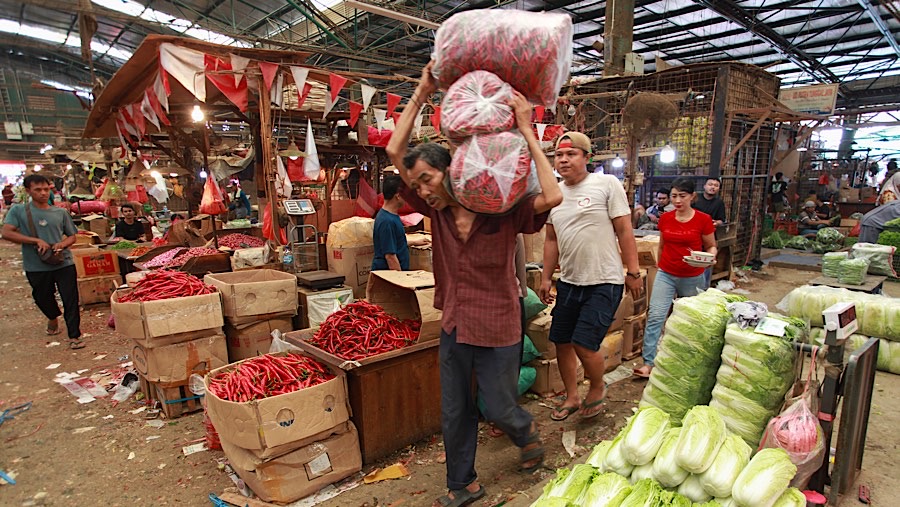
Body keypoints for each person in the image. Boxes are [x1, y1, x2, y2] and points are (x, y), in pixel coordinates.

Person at [386, 61, 562, 507]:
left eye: (427, 179)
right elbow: (394, 152)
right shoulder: (436, 213)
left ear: (454, 170)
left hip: (499, 326)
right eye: (418, 183)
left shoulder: (501, 209)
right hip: (455, 326)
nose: (422, 190)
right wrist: (423, 90)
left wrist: (527, 130)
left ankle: (524, 433)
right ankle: (462, 485)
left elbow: (554, 195)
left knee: (499, 408)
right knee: (454, 411)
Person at [539, 131, 642, 421]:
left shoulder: (605, 184)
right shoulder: (554, 193)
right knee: (561, 340)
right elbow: (551, 240)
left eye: (571, 154)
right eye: (559, 155)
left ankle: (596, 387)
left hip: (604, 279)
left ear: (587, 157)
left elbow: (624, 230)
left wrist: (633, 272)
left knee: (585, 343)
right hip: (569, 281)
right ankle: (571, 396)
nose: (563, 159)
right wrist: (546, 278)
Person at [634, 177, 717, 378]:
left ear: (692, 196)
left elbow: (711, 246)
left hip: (693, 275)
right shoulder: (666, 218)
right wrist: (659, 265)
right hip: (666, 273)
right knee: (656, 316)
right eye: (674, 196)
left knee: (691, 321)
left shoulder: (703, 220)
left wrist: (710, 258)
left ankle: (688, 360)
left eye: (682, 196)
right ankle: (649, 362)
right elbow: (662, 245)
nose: (677, 200)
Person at [2, 174, 84, 349]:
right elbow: (7, 232)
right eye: (38, 190)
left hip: (63, 261)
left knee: (70, 298)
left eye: (46, 189)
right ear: (28, 191)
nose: (43, 193)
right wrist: (35, 241)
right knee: (42, 297)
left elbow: (72, 236)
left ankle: (74, 335)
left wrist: (62, 244)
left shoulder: (60, 212)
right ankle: (52, 316)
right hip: (36, 264)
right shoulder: (19, 211)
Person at [372, 175, 420, 271]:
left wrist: (414, 242)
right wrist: (400, 280)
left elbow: (393, 242)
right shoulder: (386, 221)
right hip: (388, 277)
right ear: (398, 196)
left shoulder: (391, 216)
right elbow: (390, 257)